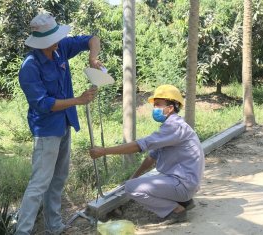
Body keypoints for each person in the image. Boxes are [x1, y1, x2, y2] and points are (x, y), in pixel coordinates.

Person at [15, 12, 103, 235]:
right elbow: (43, 103)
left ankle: (53, 227)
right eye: (54, 40)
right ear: (43, 41)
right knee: (39, 183)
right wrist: (78, 100)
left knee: (58, 178)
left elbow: (92, 39)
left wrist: (93, 58)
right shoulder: (30, 67)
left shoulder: (59, 48)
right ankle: (22, 231)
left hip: (64, 123)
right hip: (46, 130)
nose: (58, 42)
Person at [90, 84, 205, 225]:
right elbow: (151, 157)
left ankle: (176, 210)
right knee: (135, 182)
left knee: (132, 188)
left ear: (170, 108)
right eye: (154, 105)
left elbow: (139, 145)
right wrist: (134, 176)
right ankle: (184, 200)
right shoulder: (172, 127)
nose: (155, 109)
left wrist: (104, 151)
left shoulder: (174, 127)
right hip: (184, 182)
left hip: (183, 184)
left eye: (158, 105)